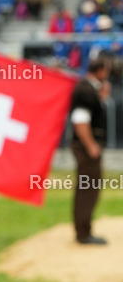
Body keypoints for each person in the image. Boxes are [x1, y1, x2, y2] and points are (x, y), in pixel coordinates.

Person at [70, 56, 111, 244]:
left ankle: (83, 230)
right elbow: (80, 120)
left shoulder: (90, 89)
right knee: (88, 188)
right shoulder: (85, 90)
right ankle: (83, 233)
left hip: (85, 146)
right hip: (85, 148)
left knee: (88, 188)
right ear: (100, 70)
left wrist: (101, 97)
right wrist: (90, 145)